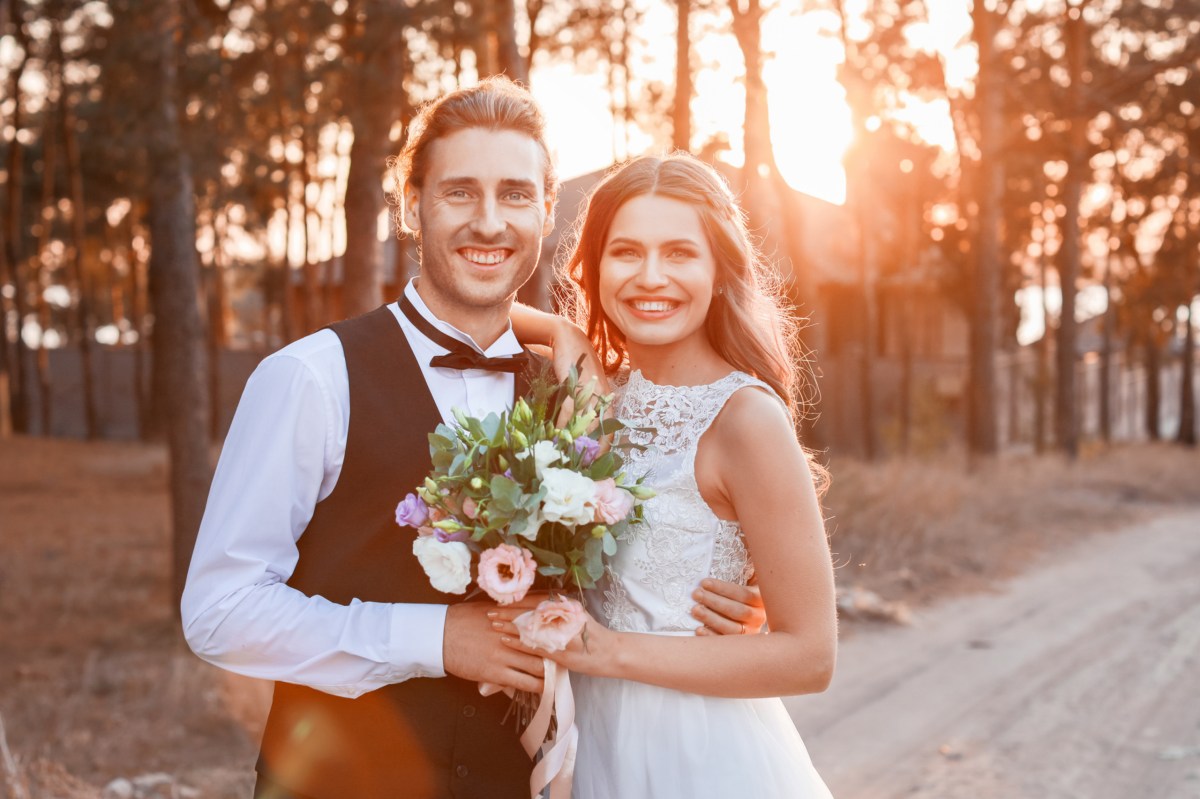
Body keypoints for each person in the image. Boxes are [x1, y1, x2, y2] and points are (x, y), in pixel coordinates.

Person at [181, 78, 763, 799]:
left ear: (548, 212)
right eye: (460, 193)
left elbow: (639, 558)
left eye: (516, 195)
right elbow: (218, 610)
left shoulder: (575, 396)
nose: (489, 222)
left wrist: (717, 602)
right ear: (410, 206)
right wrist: (435, 639)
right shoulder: (309, 378)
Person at [495, 153, 838, 798]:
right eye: (625, 253)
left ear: (719, 271)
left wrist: (608, 652)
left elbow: (811, 656)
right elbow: (451, 308)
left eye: (680, 253)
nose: (651, 277)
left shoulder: (745, 418)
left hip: (697, 751)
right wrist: (561, 330)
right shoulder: (594, 403)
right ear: (593, 271)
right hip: (590, 737)